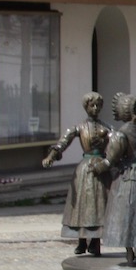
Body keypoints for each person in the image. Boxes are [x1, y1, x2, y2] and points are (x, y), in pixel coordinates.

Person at [92, 93, 136, 264]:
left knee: (128, 215)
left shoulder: (121, 134)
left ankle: (130, 251)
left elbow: (111, 160)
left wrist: (96, 168)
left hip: (128, 178)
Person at [42, 92, 111, 257]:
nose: (95, 109)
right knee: (82, 206)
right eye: (91, 105)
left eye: (98, 106)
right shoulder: (79, 127)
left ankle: (95, 242)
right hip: (85, 169)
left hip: (101, 168)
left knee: (99, 206)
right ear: (86, 107)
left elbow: (117, 143)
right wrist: (51, 156)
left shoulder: (106, 128)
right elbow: (63, 142)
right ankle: (81, 240)